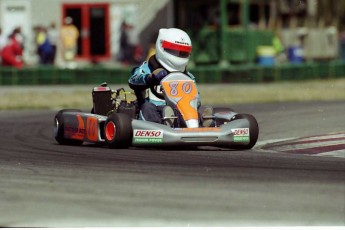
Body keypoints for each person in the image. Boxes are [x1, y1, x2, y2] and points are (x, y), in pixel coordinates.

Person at [128, 28, 213, 127]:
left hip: (179, 111)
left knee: (197, 110)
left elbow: (196, 97)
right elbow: (133, 80)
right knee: (148, 107)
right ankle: (164, 124)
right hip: (154, 110)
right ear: (161, 46)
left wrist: (195, 104)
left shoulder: (188, 77)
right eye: (173, 50)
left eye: (183, 52)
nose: (178, 55)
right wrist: (149, 78)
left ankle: (204, 122)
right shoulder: (148, 68)